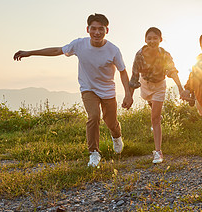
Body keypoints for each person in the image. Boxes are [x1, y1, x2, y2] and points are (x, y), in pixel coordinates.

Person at [13, 13, 133, 167]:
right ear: (88, 29)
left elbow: (123, 72)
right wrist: (30, 53)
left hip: (108, 90)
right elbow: (57, 50)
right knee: (93, 116)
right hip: (88, 89)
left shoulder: (113, 50)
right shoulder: (79, 44)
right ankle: (94, 153)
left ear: (107, 30)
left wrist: (128, 94)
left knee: (111, 122)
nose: (97, 32)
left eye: (101, 29)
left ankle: (116, 137)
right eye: (93, 29)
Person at [129, 27, 185, 164]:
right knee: (149, 103)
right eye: (149, 38)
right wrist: (129, 97)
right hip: (145, 84)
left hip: (159, 85)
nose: (152, 41)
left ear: (160, 39)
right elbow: (134, 77)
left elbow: (172, 71)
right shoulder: (139, 55)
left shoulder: (165, 54)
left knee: (154, 119)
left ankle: (158, 152)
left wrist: (180, 89)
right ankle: (156, 112)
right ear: (145, 40)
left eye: (155, 38)